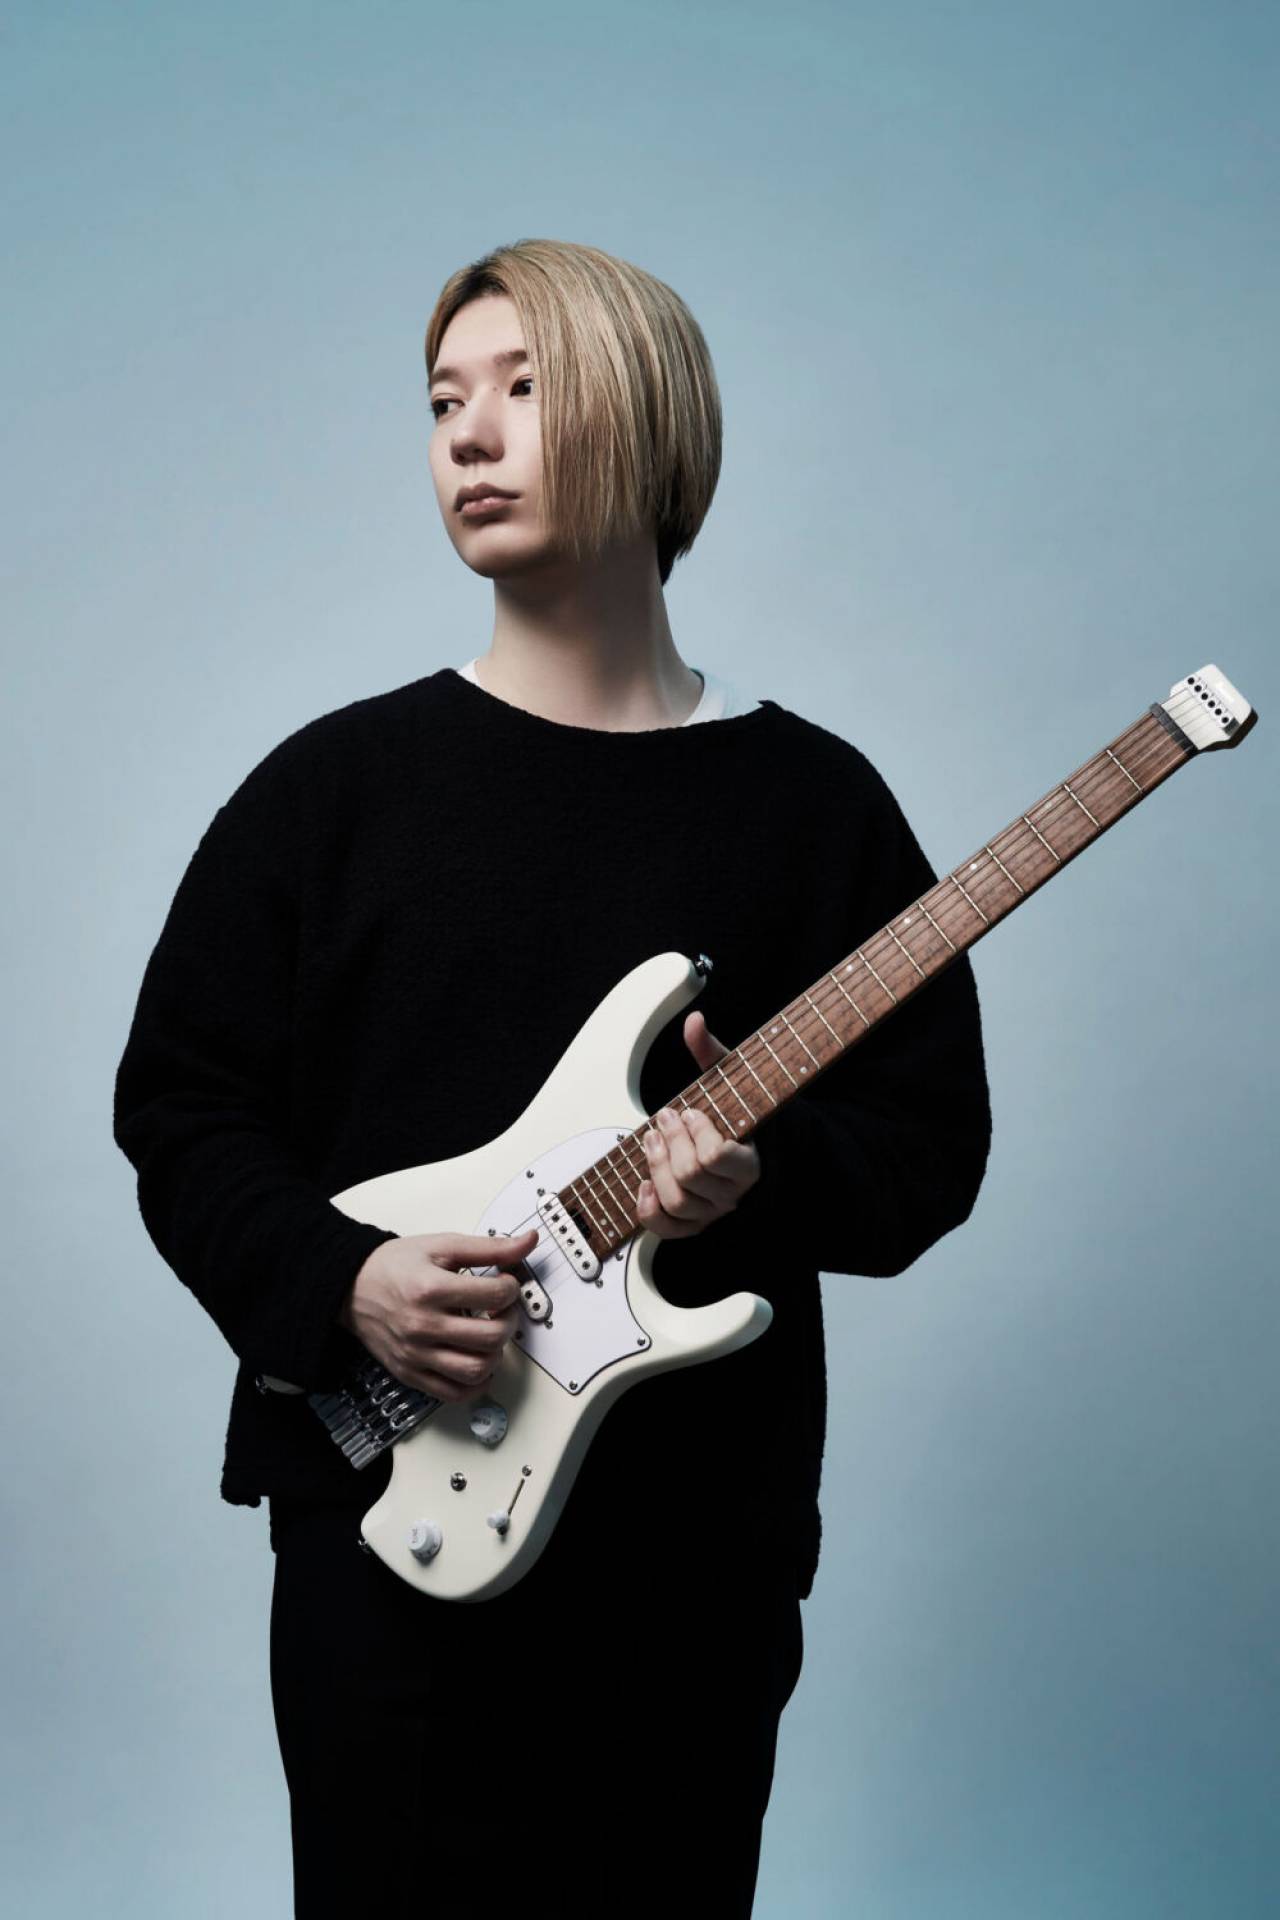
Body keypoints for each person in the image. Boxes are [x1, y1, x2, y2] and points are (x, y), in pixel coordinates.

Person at [113, 237, 992, 1916]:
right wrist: (341, 1284)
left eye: (524, 389)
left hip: (699, 1560)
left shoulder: (816, 810)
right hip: (392, 1528)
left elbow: (929, 1150)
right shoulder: (333, 792)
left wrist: (767, 1178)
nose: (468, 432)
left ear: (648, 422)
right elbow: (180, 1108)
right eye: (446, 399)